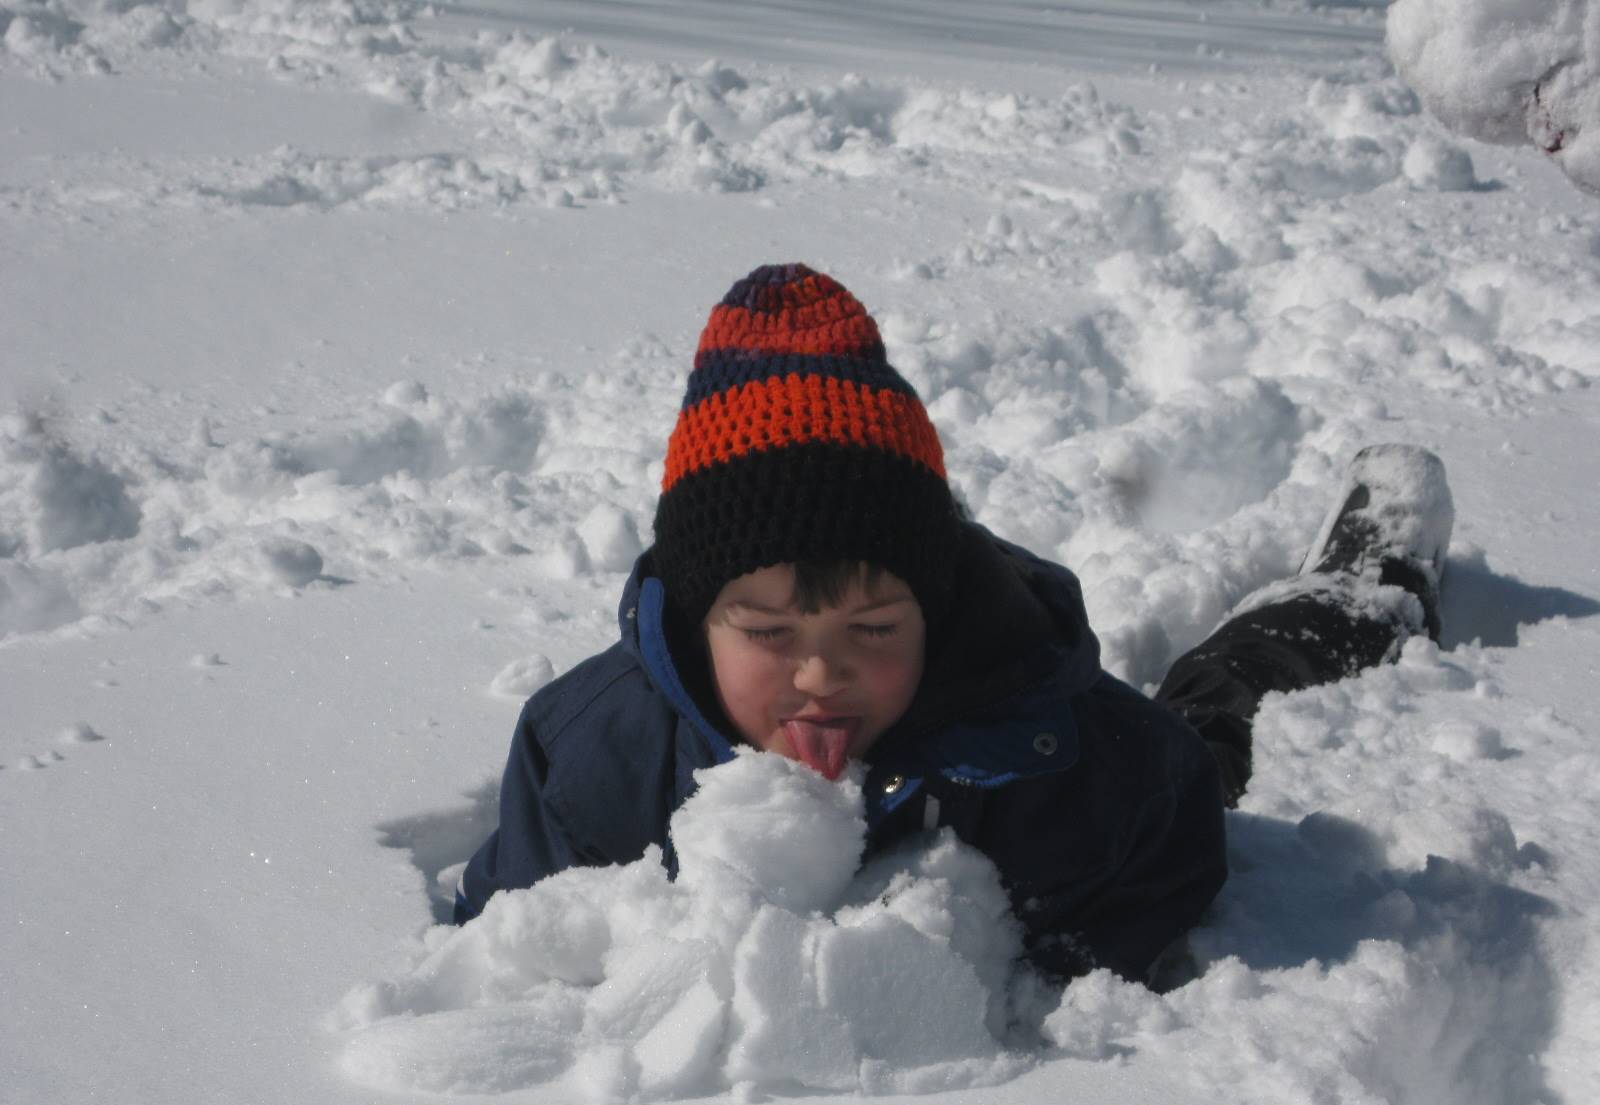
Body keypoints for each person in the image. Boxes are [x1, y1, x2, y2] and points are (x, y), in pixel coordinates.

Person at [453, 264, 1452, 987]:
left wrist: (1031, 966)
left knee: (1216, 712)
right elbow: (506, 943)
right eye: (767, 634)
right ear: (699, 617)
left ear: (932, 609)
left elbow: (1171, 852)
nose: (819, 677)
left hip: (1047, 738)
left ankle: (1362, 583)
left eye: (874, 629)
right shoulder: (591, 754)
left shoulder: (1069, 746)